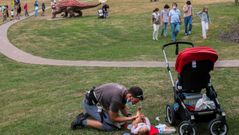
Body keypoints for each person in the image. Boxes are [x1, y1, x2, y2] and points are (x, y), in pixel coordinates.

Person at [71, 83, 144, 131]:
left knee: (118, 123)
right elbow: (114, 118)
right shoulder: (117, 99)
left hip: (97, 103)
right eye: (135, 101)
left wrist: (129, 116)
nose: (134, 103)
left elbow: (122, 106)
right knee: (110, 127)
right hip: (90, 104)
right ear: (130, 96)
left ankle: (91, 114)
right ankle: (82, 121)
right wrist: (131, 118)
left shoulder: (125, 92)